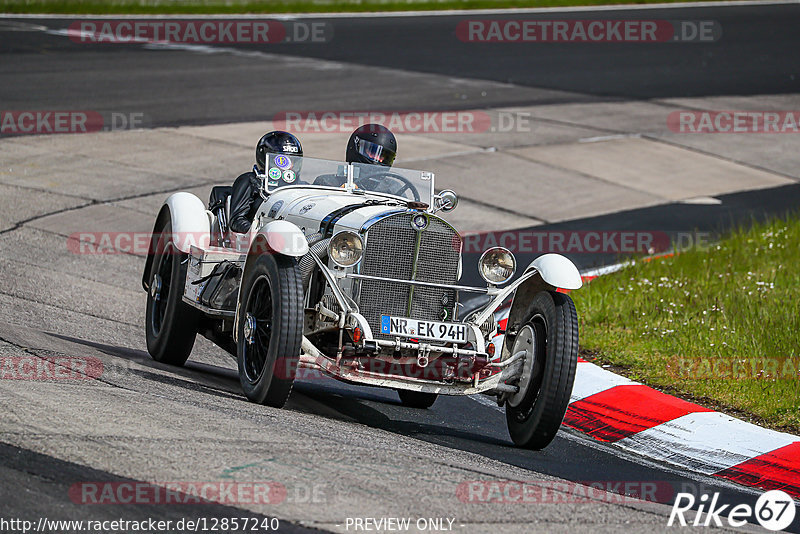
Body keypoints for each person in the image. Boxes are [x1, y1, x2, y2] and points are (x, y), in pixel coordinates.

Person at [229, 131, 303, 234]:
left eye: (293, 160)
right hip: (259, 242)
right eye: (282, 161)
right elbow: (237, 220)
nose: (289, 166)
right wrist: (263, 233)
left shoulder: (302, 186)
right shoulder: (250, 181)